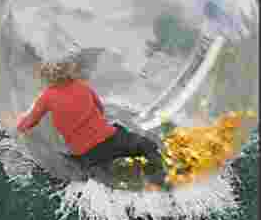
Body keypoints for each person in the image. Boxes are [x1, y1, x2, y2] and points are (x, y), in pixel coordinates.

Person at [15, 50, 168, 191]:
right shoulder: (83, 86)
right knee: (147, 146)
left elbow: (29, 123)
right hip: (111, 139)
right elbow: (100, 109)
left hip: (88, 154)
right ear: (70, 70)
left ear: (46, 76)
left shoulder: (46, 97)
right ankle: (160, 179)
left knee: (103, 181)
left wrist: (17, 123)